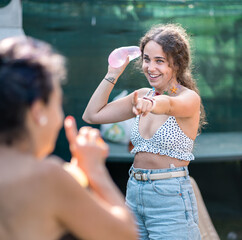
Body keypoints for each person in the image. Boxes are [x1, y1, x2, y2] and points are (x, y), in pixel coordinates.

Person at [0, 36, 137, 240]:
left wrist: (76, 173)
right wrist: (95, 170)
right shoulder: (48, 176)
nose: (60, 117)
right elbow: (126, 235)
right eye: (57, 103)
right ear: (37, 111)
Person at [83, 23, 206, 239]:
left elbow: (168, 104)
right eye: (147, 59)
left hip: (170, 197)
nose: (150, 67)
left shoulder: (188, 99)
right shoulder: (141, 94)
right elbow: (92, 115)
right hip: (135, 193)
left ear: (177, 64)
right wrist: (113, 73)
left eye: (160, 61)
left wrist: (152, 104)